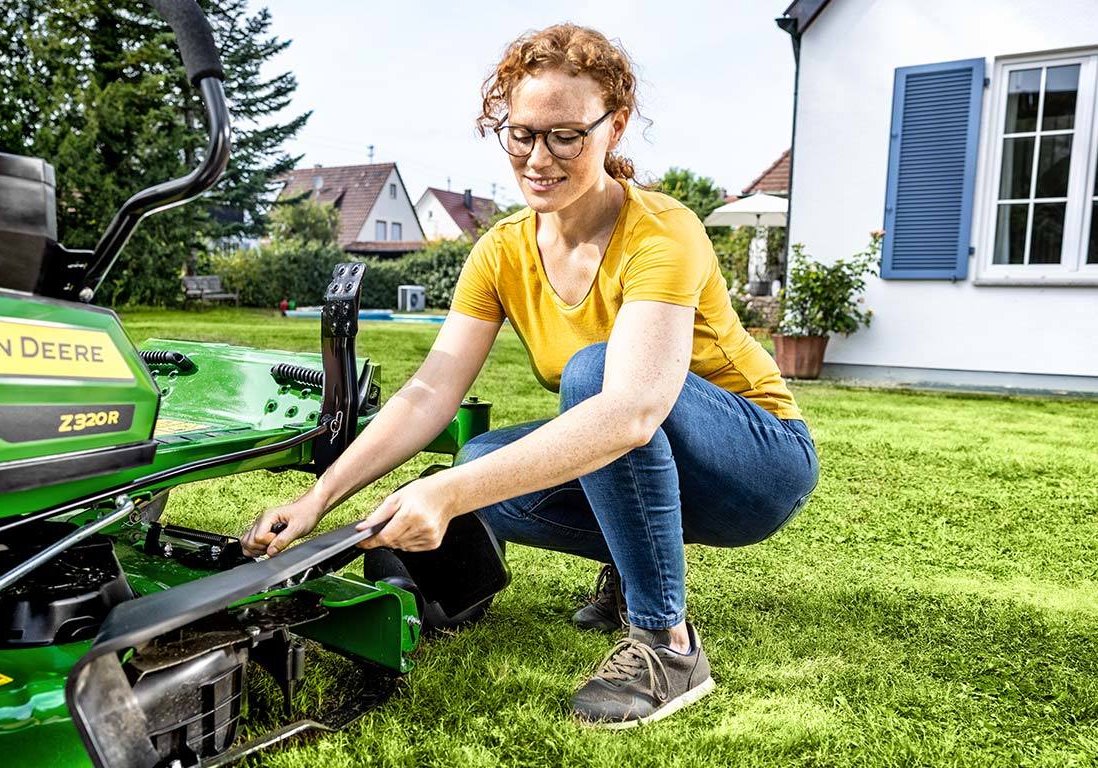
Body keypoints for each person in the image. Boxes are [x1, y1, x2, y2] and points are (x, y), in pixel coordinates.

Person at [243, 23, 819, 729]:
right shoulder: (502, 251)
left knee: (594, 376)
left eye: (566, 136)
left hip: (758, 466)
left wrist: (445, 494)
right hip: (650, 463)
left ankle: (667, 645)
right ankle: (634, 559)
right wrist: (319, 499)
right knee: (482, 457)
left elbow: (633, 411)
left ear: (616, 125)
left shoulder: (662, 232)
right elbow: (431, 390)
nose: (538, 158)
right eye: (520, 134)